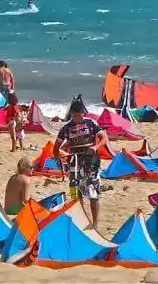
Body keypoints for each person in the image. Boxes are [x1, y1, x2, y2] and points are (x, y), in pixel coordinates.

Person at [53, 97, 108, 228]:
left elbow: (104, 138)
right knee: (75, 193)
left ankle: (94, 224)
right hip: (75, 163)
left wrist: (95, 147)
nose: (76, 118)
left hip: (92, 163)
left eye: (78, 115)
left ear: (83, 112)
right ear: (71, 114)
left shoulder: (91, 123)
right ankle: (81, 220)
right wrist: (60, 158)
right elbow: (56, 147)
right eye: (74, 115)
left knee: (93, 193)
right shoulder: (66, 128)